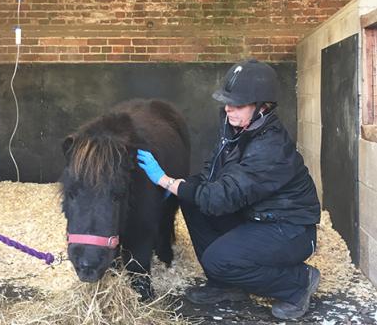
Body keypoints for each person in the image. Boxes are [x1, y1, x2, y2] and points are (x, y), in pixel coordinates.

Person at [137, 59, 321, 320]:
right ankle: (227, 283)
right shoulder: (236, 131)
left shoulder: (269, 149)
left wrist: (167, 181)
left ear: (262, 107)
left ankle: (298, 282)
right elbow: (212, 174)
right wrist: (184, 187)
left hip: (289, 229)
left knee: (218, 259)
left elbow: (220, 198)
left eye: (237, 105)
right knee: (192, 200)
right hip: (256, 217)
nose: (228, 109)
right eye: (227, 103)